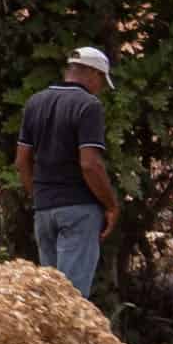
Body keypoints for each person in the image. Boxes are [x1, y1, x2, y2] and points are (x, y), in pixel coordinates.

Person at [19, 44, 118, 294]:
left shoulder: (35, 102)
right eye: (101, 82)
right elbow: (89, 164)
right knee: (70, 301)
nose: (101, 89)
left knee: (51, 302)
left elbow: (22, 161)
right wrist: (111, 205)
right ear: (93, 74)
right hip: (78, 210)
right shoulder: (88, 106)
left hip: (43, 211)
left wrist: (38, 196)